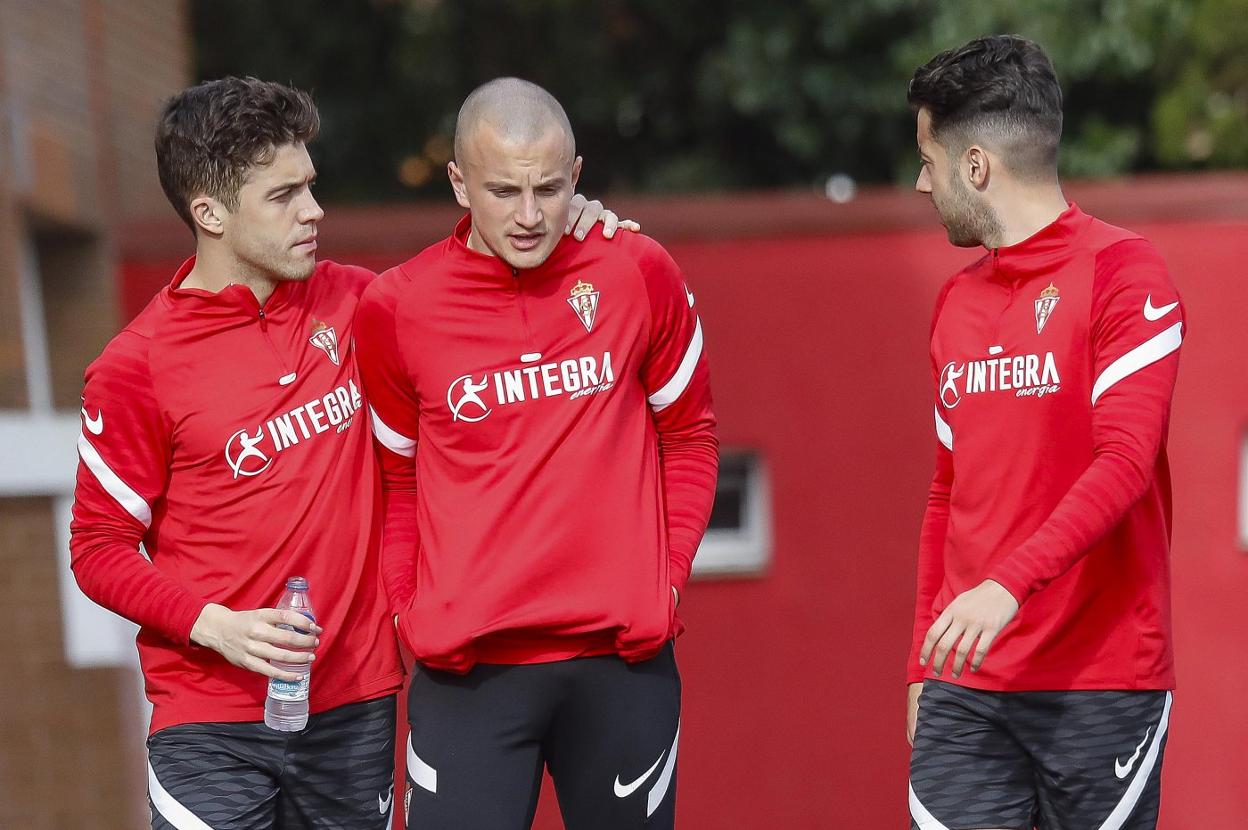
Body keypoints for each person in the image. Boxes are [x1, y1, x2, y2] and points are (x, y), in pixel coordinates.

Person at [69, 75, 632, 830]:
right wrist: (214, 624)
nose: (314, 210)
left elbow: (495, 263)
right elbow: (97, 547)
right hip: (211, 725)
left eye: (311, 185)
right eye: (283, 196)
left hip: (356, 706)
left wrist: (575, 218)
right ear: (208, 213)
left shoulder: (367, 304)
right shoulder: (135, 366)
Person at [355, 77, 718, 830]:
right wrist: (406, 614)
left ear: (577, 177)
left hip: (621, 667)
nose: (529, 216)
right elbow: (395, 476)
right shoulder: (397, 308)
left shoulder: (637, 270)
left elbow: (690, 436)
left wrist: (667, 584)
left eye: (549, 189)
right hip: (469, 677)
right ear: (458, 182)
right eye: (503, 191)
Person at [904, 36, 1184, 830]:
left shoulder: (1127, 275)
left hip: (1102, 682)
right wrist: (923, 661)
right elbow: (946, 494)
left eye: (929, 160)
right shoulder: (954, 303)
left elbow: (1125, 463)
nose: (922, 183)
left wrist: (1006, 583)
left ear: (978, 166)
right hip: (966, 688)